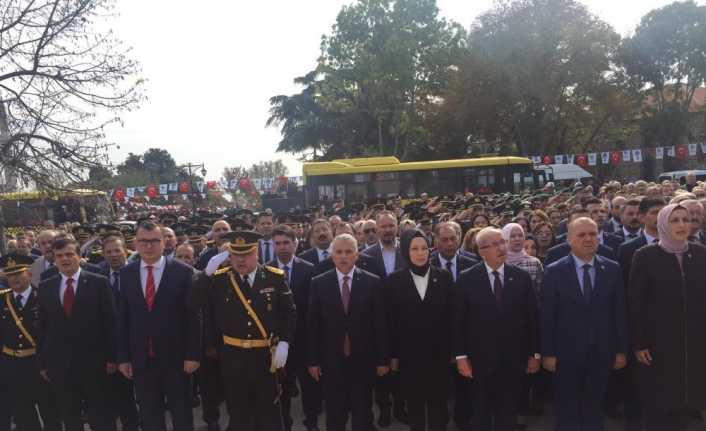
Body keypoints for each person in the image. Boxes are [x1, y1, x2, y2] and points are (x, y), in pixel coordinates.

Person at [541, 217, 628, 431]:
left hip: (601, 351)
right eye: (581, 235)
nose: (588, 239)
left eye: (593, 234)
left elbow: (619, 312)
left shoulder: (612, 268)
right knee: (567, 409)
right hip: (566, 354)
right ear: (569, 239)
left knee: (595, 407)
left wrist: (620, 350)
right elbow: (547, 316)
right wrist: (548, 353)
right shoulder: (554, 271)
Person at [205, 229, 296, 431]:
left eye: (246, 254)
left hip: (264, 356)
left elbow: (289, 314)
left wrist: (285, 342)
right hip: (233, 357)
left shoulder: (274, 277)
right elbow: (194, 303)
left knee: (269, 412)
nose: (240, 260)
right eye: (236, 254)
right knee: (238, 412)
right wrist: (205, 275)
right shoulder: (220, 279)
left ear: (256, 253)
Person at [117, 221, 201, 431]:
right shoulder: (127, 274)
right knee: (150, 416)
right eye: (143, 241)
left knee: (182, 414)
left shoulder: (183, 272)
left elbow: (193, 317)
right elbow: (123, 318)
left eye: (154, 241)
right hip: (142, 360)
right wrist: (123, 357)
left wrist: (193, 355)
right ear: (135, 243)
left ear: (164, 242)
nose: (149, 246)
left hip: (177, 359)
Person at [628, 204, 706, 430]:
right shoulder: (645, 256)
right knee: (661, 406)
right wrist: (639, 342)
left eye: (685, 219)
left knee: (689, 402)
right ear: (663, 223)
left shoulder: (700, 253)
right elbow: (636, 303)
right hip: (659, 344)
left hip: (695, 342)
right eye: (675, 220)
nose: (682, 225)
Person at [454, 227, 539, 431]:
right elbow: (458, 322)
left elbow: (532, 319)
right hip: (479, 361)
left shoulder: (521, 277)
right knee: (481, 413)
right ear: (482, 251)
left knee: (507, 413)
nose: (502, 247)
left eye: (503, 242)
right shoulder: (466, 278)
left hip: (513, 359)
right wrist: (461, 357)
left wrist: (534, 354)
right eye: (495, 244)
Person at [307, 233, 390, 431]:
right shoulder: (319, 283)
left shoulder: (372, 282)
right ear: (332, 255)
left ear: (357, 255)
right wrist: (313, 360)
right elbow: (313, 325)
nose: (343, 257)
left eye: (348, 252)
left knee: (362, 413)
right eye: (339, 252)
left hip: (363, 360)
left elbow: (380, 324)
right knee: (335, 414)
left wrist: (382, 360)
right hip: (331, 361)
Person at [37, 236, 118, 431]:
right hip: (60, 365)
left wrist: (113, 358)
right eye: (59, 256)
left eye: (69, 254)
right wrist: (43, 363)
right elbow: (42, 328)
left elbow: (111, 323)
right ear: (54, 259)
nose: (64, 259)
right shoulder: (46, 286)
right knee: (70, 415)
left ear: (79, 256)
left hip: (95, 363)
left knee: (102, 415)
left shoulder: (99, 283)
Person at [388, 229, 453, 431]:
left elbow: (452, 317)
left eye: (424, 248)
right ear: (406, 252)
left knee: (439, 407)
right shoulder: (394, 280)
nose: (420, 253)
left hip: (439, 355)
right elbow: (391, 322)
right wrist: (393, 355)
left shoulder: (443, 276)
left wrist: (454, 350)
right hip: (409, 356)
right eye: (414, 248)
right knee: (415, 407)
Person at [269, 225, 321, 431]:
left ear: (295, 243)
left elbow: (314, 309)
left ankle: (312, 423)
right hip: (278, 344)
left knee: (310, 389)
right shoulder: (266, 271)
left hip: (304, 341)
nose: (282, 247)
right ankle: (285, 425)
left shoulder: (309, 269)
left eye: (286, 242)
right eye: (278, 243)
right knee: (282, 390)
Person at [0, 254, 60, 431]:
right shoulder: (2, 299)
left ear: (29, 274)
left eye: (19, 273)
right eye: (10, 275)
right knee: (23, 413)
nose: (15, 278)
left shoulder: (44, 296)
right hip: (12, 365)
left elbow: (53, 332)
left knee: (49, 411)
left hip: (39, 363)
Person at [99, 235, 140, 431]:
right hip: (109, 346)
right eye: (109, 251)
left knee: (141, 397)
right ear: (103, 254)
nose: (113, 255)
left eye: (117, 250)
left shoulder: (138, 271)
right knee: (116, 397)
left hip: (136, 342)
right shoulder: (97, 275)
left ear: (126, 251)